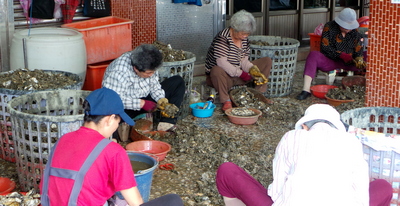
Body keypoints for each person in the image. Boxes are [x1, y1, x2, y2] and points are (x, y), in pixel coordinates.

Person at [216, 104, 393, 206]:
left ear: (305, 126)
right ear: (336, 126)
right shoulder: (352, 142)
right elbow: (362, 197)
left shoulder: (292, 137)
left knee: (227, 171)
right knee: (384, 187)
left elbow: (276, 192)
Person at [40, 87, 183, 206]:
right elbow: (136, 202)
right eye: (118, 122)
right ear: (109, 119)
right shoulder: (113, 151)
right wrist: (112, 152)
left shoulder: (63, 140)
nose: (116, 127)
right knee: (173, 200)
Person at [102, 44, 185, 132]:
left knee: (178, 82)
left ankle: (166, 124)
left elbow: (154, 85)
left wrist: (160, 98)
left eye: (153, 72)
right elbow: (112, 99)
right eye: (148, 73)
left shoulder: (150, 64)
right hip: (126, 107)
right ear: (136, 68)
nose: (151, 75)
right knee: (110, 118)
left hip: (146, 100)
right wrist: (142, 103)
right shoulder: (119, 71)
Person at [205, 9, 273, 111]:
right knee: (216, 70)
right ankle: (226, 100)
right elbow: (222, 63)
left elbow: (244, 61)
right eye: (243, 33)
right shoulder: (223, 38)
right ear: (234, 28)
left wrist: (253, 70)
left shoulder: (244, 40)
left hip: (238, 74)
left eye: (247, 34)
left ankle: (258, 95)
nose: (245, 36)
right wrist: (242, 74)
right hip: (224, 78)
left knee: (266, 61)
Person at [296, 8, 367, 100]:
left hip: (350, 62)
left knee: (371, 54)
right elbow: (325, 48)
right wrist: (340, 55)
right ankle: (306, 90)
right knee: (313, 55)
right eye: (346, 26)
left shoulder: (355, 32)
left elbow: (358, 49)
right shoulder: (329, 27)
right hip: (331, 61)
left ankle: (370, 86)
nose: (348, 29)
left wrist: (358, 59)